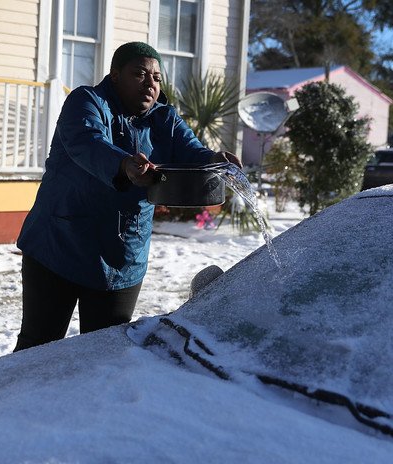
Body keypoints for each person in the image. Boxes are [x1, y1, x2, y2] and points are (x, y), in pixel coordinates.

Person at [13, 42, 241, 352]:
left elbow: (192, 153)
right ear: (116, 75)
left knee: (104, 353)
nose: (151, 84)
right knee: (37, 347)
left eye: (157, 78)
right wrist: (123, 164)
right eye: (140, 74)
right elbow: (88, 143)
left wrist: (215, 159)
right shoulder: (86, 101)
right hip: (59, 245)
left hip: (122, 258)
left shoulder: (166, 119)